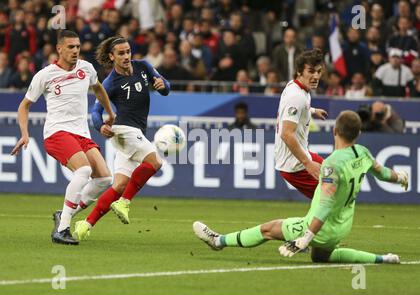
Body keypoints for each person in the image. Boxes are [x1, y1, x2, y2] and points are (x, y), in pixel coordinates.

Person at [193, 111, 408, 264]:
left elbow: (325, 204)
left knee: (269, 229)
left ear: (334, 130)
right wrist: (401, 178)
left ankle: (218, 241)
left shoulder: (332, 164)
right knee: (320, 257)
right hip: (342, 227)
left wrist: (306, 237)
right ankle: (382, 259)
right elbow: (384, 173)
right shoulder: (362, 152)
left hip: (319, 229)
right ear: (358, 133)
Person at [11, 30, 115, 245]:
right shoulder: (45, 75)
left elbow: (98, 89)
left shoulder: (86, 69)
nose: (76, 51)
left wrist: (110, 113)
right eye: (71, 47)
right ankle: (62, 229)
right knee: (84, 170)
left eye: (78, 47)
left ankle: (64, 214)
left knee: (105, 178)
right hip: (57, 132)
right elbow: (24, 106)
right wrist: (24, 133)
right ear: (59, 49)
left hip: (81, 133)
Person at [72, 36, 170, 240]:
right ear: (112, 56)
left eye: (128, 51)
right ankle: (125, 202)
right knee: (155, 163)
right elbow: (95, 111)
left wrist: (163, 86)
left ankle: (85, 224)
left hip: (133, 134)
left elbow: (165, 86)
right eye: (121, 53)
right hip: (124, 129)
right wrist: (100, 126)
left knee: (118, 186)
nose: (126, 56)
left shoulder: (143, 67)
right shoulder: (110, 82)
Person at [275, 49, 328, 199]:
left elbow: (295, 108)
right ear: (299, 71)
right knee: (331, 197)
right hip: (294, 165)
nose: (316, 76)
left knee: (335, 178)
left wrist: (311, 110)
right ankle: (309, 223)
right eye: (311, 71)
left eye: (318, 71)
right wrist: (308, 163)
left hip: (300, 156)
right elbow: (286, 134)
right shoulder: (296, 96)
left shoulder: (296, 87)